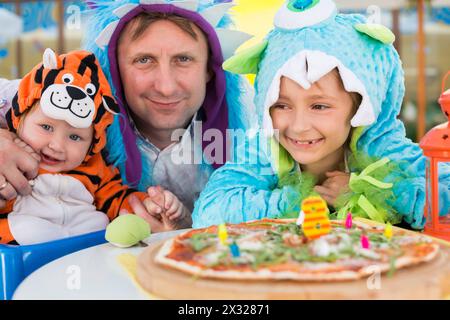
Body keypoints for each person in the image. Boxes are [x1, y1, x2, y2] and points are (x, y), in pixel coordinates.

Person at [192, 0, 450, 230]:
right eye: (282, 105)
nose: (299, 126)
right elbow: (210, 211)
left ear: (359, 107)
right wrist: (303, 200)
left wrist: (366, 190)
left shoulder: (384, 148)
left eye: (319, 106)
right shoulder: (264, 150)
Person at [0, 0, 254, 231]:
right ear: (113, 68)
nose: (166, 87)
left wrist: (187, 226)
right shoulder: (80, 98)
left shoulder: (251, 124)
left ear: (209, 68)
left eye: (183, 59)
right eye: (144, 60)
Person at [0, 48, 189, 245]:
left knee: (103, 225)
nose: (56, 145)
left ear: (93, 143)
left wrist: (151, 205)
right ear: (19, 119)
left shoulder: (96, 169)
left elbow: (119, 199)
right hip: (22, 246)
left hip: (86, 249)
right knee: (28, 229)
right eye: (46, 127)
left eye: (75, 137)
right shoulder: (11, 159)